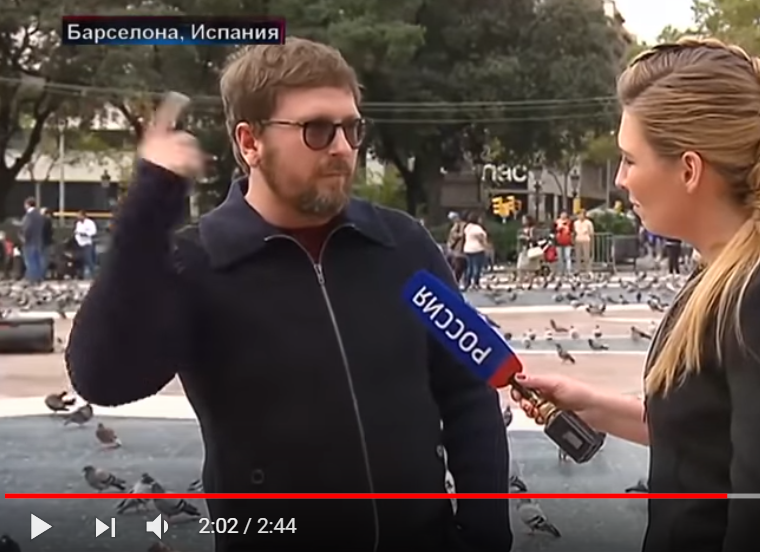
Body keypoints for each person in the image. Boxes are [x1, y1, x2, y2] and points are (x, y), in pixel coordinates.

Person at [66, 38, 511, 552]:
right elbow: (103, 379)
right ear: (250, 142)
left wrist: (484, 534)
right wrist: (146, 212)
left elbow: (470, 387)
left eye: (352, 128)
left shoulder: (403, 243)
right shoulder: (197, 263)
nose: (342, 147)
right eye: (317, 130)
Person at [512, 38, 760, 551]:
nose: (621, 180)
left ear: (689, 170)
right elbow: (710, 436)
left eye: (630, 160)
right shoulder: (727, 268)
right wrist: (594, 406)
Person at [20, 198, 45, 283]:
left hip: (29, 242)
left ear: (27, 205)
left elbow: (27, 228)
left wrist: (24, 237)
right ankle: (38, 278)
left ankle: (32, 279)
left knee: (30, 261)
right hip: (38, 241)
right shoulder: (40, 215)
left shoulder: (28, 216)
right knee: (37, 261)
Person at [461, 212, 488, 290]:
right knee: (477, 267)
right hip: (477, 249)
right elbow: (481, 238)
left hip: (467, 249)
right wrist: (485, 246)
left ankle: (467, 282)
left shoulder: (467, 227)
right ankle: (475, 282)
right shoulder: (477, 228)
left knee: (469, 267)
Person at [73, 210, 99, 279]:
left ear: (83, 216)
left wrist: (85, 234)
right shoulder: (78, 223)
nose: (78, 217)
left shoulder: (90, 223)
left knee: (89, 259)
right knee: (81, 260)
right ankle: (81, 275)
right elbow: (77, 231)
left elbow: (93, 232)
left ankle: (94, 275)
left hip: (87, 243)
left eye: (79, 216)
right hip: (79, 243)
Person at [445, 211, 468, 283]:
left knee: (457, 266)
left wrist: (450, 243)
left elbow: (456, 235)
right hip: (455, 250)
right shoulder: (457, 225)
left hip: (457, 250)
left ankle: (456, 281)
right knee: (455, 266)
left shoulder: (460, 225)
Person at [573, 210, 594, 275]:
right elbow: (574, 232)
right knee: (578, 256)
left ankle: (588, 270)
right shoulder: (575, 223)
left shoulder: (589, 223)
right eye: (579, 215)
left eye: (581, 214)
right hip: (578, 240)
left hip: (586, 240)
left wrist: (592, 243)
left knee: (586, 256)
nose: (580, 216)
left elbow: (591, 233)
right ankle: (578, 270)